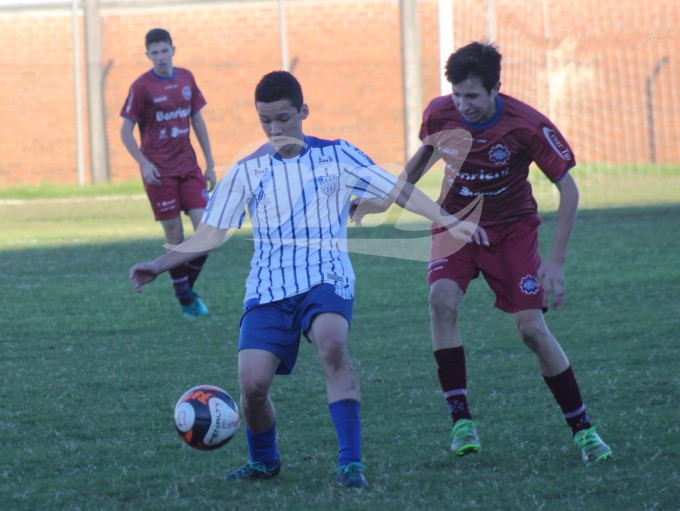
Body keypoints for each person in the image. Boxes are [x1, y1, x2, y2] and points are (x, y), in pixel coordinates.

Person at [129, 70, 478, 488]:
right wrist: (160, 263)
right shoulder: (246, 170)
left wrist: (446, 219)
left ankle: (351, 464)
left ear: (303, 112)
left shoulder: (337, 155)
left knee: (332, 345)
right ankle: (264, 462)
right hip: (269, 286)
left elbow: (399, 189)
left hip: (325, 276)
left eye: (284, 119)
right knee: (252, 385)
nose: (275, 130)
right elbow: (211, 232)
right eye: (266, 121)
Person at [352, 41, 612, 464]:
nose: (462, 104)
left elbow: (569, 188)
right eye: (456, 94)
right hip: (455, 224)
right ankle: (461, 421)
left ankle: (583, 429)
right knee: (440, 301)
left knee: (531, 330)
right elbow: (423, 159)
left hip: (511, 231)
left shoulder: (526, 124)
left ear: (495, 90)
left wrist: (557, 262)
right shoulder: (440, 112)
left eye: (471, 95)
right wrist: (384, 201)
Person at [121, 28, 216, 318]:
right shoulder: (142, 87)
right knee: (175, 234)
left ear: (173, 49)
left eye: (165, 50)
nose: (161, 57)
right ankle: (185, 301)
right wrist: (144, 163)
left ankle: (184, 288)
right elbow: (125, 131)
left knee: (209, 233)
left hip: (188, 167)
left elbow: (197, 120)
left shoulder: (186, 78)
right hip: (159, 173)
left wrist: (210, 162)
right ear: (147, 55)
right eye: (155, 53)